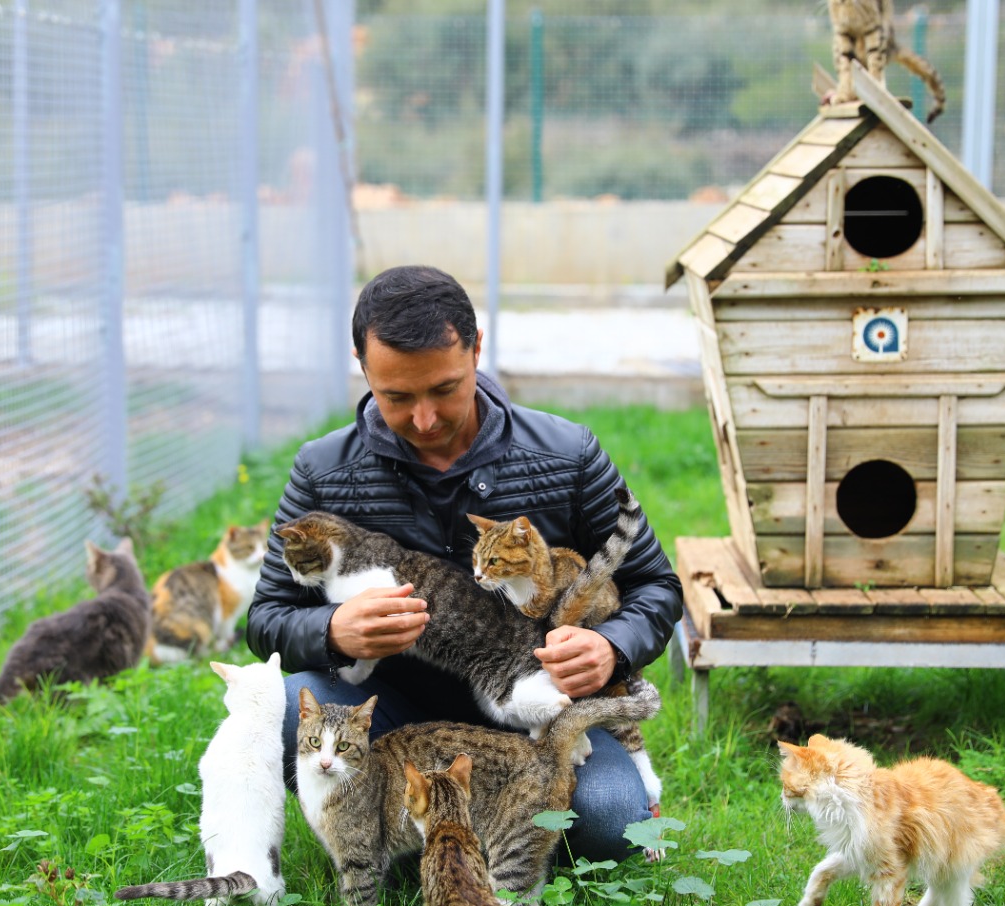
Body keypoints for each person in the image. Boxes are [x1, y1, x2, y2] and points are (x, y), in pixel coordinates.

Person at [246, 264, 684, 861]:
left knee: (610, 821)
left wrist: (613, 646)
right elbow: (266, 617)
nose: (424, 419)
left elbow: (654, 586)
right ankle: (405, 837)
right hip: (392, 719)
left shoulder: (566, 454)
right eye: (396, 396)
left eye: (444, 389)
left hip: (538, 707)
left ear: (477, 350)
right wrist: (332, 631)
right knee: (288, 709)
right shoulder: (323, 471)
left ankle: (487, 834)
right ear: (361, 362)